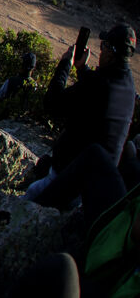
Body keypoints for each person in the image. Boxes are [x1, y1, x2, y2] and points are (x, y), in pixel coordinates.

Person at [39, 25, 136, 187]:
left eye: (103, 46)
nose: (101, 51)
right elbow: (100, 94)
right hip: (98, 186)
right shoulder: (128, 85)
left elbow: (52, 103)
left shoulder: (97, 84)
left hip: (70, 180)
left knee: (30, 195)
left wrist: (65, 65)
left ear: (111, 52)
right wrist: (83, 69)